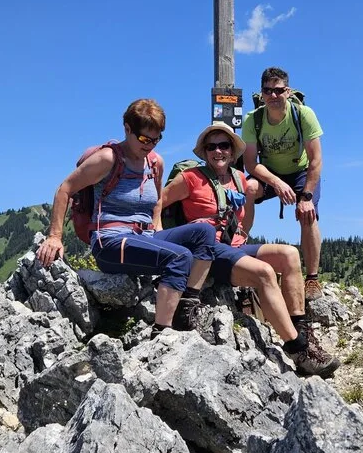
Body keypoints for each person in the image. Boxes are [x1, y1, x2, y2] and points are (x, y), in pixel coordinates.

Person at [157, 122, 339, 377]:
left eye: (223, 146)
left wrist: (242, 230)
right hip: (208, 253)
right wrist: (158, 238)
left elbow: (244, 220)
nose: (217, 151)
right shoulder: (190, 178)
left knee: (289, 255)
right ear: (205, 152)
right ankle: (297, 349)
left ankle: (302, 328)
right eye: (211, 147)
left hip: (235, 248)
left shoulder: (239, 179)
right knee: (264, 272)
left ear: (232, 152)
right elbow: (159, 201)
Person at [35, 99, 215, 333]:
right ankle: (162, 333)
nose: (150, 145)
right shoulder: (108, 159)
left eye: (156, 139)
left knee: (205, 232)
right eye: (144, 139)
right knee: (179, 257)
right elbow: (65, 188)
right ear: (127, 129)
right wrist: (55, 236)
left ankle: (186, 304)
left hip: (144, 236)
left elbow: (158, 200)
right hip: (109, 242)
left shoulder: (155, 163)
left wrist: (157, 230)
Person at [242, 66, 325, 304]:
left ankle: (311, 278)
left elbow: (316, 158)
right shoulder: (253, 120)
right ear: (262, 92)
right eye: (268, 91)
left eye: (278, 90)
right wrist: (276, 182)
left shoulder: (303, 114)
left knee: (307, 214)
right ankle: (238, 251)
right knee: (248, 189)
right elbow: (250, 163)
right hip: (270, 172)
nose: (273, 96)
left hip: (301, 171)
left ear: (287, 91)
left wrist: (306, 196)